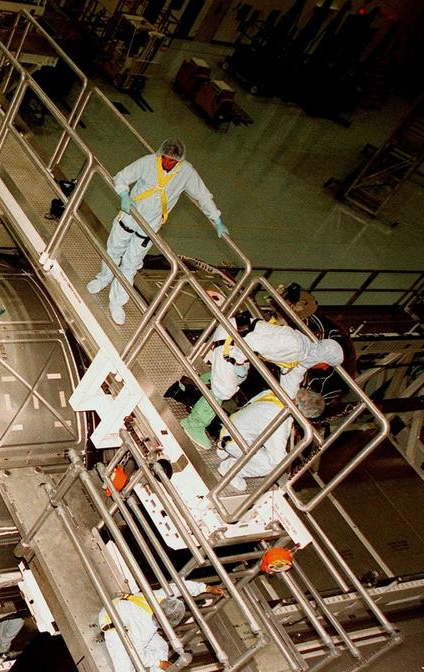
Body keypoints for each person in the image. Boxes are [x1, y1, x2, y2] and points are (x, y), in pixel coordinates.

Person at [87, 139, 226, 326]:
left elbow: (203, 195)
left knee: (131, 264)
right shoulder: (147, 162)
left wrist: (216, 219)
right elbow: (121, 177)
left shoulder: (186, 173)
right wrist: (124, 194)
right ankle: (103, 278)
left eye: (173, 161)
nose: (168, 163)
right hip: (129, 216)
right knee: (113, 251)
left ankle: (117, 302)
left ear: (179, 161)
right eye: (166, 159)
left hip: (150, 226)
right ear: (160, 154)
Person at [98, 581, 223, 672]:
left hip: (124, 610)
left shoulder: (160, 597)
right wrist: (158, 662)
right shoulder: (145, 627)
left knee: (161, 645)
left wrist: (205, 588)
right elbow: (136, 657)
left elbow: (180, 586)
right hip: (115, 625)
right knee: (126, 671)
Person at [217, 387, 325, 492]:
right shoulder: (281, 418)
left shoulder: (277, 393)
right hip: (234, 441)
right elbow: (277, 456)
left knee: (262, 442)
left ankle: (223, 448)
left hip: (230, 426)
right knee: (275, 464)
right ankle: (230, 470)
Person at [180, 311, 255, 449]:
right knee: (222, 390)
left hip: (230, 338)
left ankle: (194, 385)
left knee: (221, 376)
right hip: (233, 348)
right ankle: (194, 423)